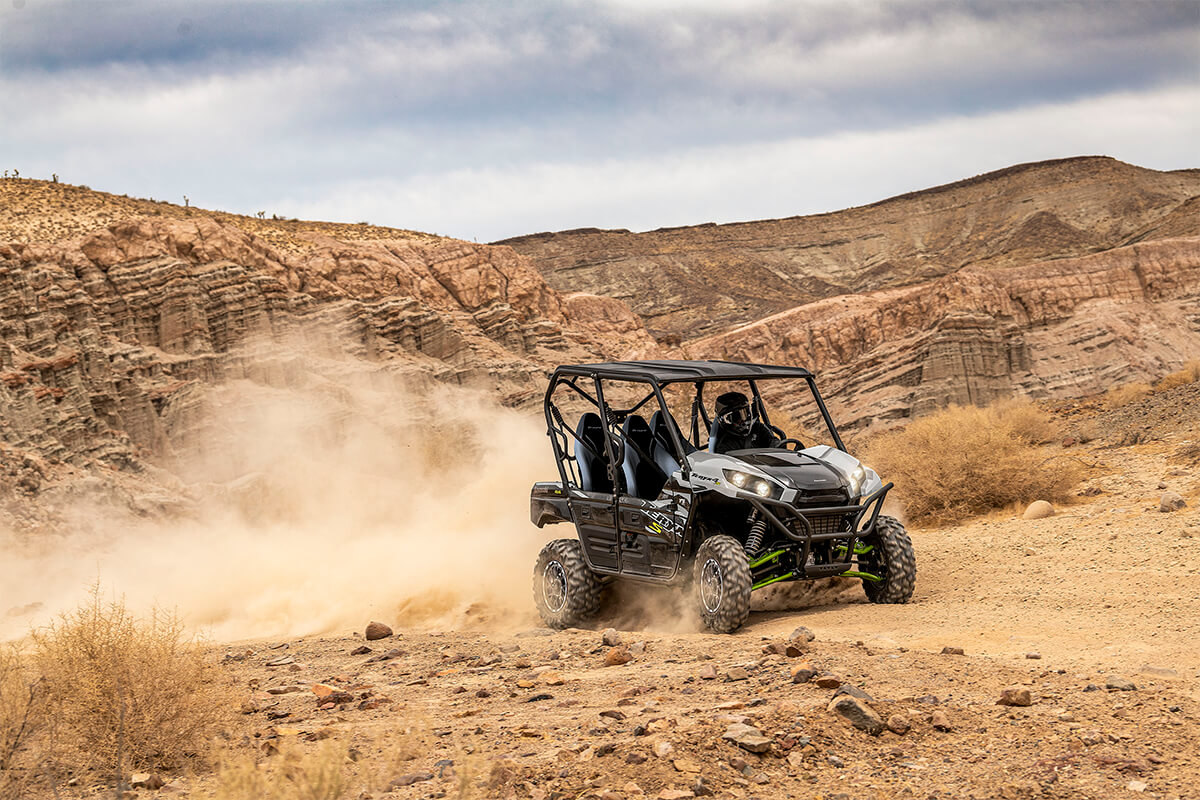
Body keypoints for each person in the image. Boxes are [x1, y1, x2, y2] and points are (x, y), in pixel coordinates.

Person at [711, 391, 781, 453]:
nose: (743, 420)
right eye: (736, 416)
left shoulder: (758, 428)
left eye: (745, 413)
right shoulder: (725, 446)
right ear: (726, 421)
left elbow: (774, 443)